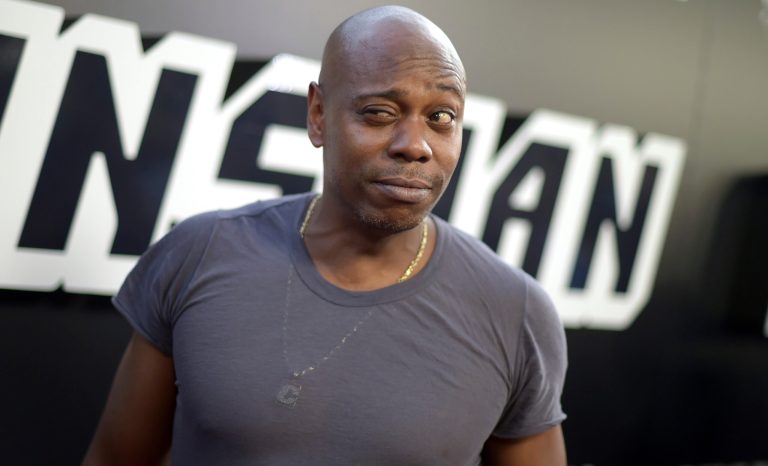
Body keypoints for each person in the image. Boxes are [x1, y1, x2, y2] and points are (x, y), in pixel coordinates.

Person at [83, 5, 567, 466]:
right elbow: (116, 458)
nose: (415, 146)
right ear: (318, 115)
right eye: (379, 112)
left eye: (441, 117)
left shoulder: (515, 310)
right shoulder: (199, 253)